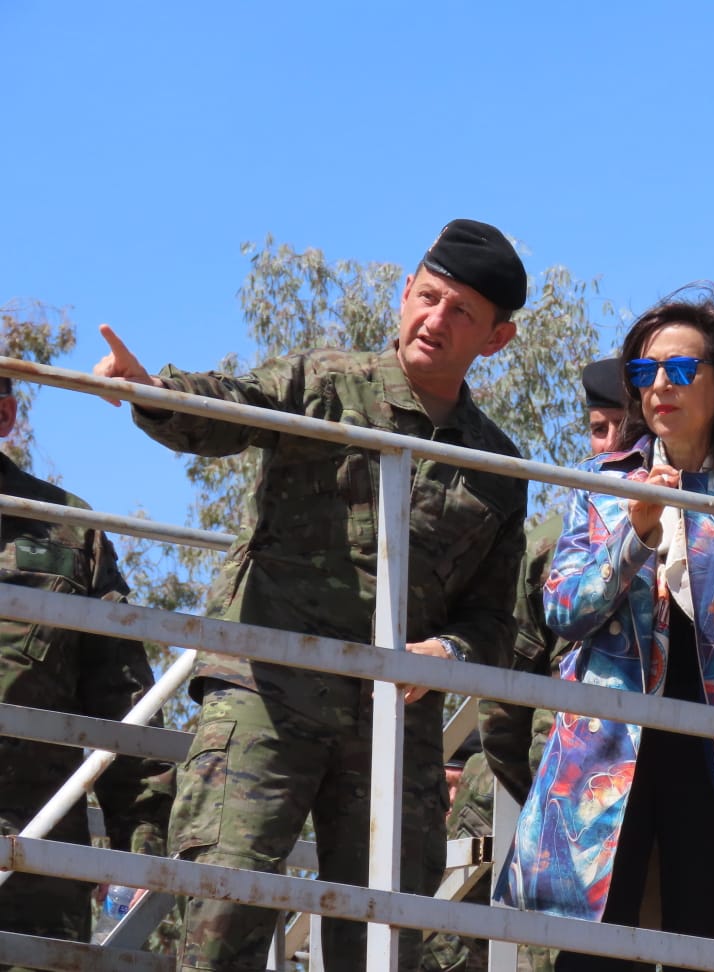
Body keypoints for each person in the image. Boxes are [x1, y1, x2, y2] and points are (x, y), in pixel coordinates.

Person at [92, 218, 530, 972]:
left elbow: (495, 617)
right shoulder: (324, 385)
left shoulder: (496, 468)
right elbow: (225, 408)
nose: (436, 321)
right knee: (223, 913)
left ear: (497, 339)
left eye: (463, 313)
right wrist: (152, 393)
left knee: (386, 938)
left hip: (394, 718)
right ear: (404, 295)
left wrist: (448, 651)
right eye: (428, 298)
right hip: (268, 691)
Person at [496, 294, 714, 971]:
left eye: (679, 370)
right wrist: (634, 537)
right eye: (645, 375)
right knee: (593, 954)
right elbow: (563, 610)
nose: (659, 388)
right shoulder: (601, 485)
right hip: (610, 749)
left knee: (702, 947)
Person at [422, 357, 625, 972]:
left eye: (627, 429)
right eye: (599, 429)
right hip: (569, 808)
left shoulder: (709, 535)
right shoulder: (554, 542)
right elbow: (504, 707)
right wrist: (545, 786)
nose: (612, 446)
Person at [0, 375, 174, 967]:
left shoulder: (66, 530)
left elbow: (122, 697)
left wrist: (140, 847)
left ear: (4, 416)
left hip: (33, 857)